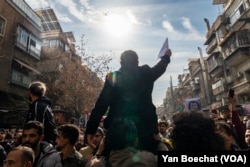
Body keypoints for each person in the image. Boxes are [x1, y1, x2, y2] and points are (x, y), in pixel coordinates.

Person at [86, 48, 172, 156]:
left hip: (118, 134)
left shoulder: (113, 77)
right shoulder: (146, 73)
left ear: (121, 63)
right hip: (145, 134)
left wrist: (91, 129)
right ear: (137, 61)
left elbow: (101, 105)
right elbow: (160, 68)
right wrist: (166, 57)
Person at [86, 117, 157, 167]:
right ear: (136, 141)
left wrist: (98, 152)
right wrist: (159, 143)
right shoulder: (149, 159)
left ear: (106, 141)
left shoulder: (97, 164)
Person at [25, 81, 58, 146]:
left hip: (44, 142)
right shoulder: (44, 104)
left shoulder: (38, 105)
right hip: (49, 141)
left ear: (30, 93)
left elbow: (36, 126)